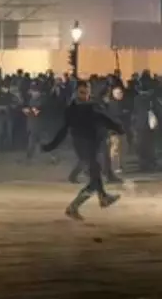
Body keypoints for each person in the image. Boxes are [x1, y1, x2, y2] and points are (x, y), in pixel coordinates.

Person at [42, 81, 124, 220]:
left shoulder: (92, 106)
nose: (84, 95)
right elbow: (64, 129)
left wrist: (116, 128)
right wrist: (52, 145)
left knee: (95, 177)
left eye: (86, 92)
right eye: (81, 92)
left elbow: (103, 119)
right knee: (94, 177)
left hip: (92, 145)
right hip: (82, 146)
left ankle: (101, 198)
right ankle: (77, 206)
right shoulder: (73, 109)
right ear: (76, 92)